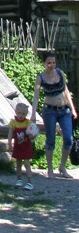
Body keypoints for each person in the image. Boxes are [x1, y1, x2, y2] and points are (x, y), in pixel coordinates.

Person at [31, 50, 78, 179]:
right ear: (43, 63)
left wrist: (72, 109)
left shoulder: (60, 73)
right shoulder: (40, 77)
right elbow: (36, 97)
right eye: (49, 63)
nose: (52, 65)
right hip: (49, 111)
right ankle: (50, 169)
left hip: (64, 110)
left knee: (68, 139)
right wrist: (33, 113)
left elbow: (66, 91)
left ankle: (62, 166)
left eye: (54, 62)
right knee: (50, 139)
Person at [7, 102, 34, 189]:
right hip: (17, 146)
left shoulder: (28, 123)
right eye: (19, 113)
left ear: (26, 114)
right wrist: (9, 143)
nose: (21, 115)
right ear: (16, 112)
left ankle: (29, 181)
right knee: (18, 163)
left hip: (26, 146)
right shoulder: (13, 123)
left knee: (26, 163)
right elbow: (10, 134)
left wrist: (32, 135)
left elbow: (33, 134)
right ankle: (19, 179)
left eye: (23, 114)